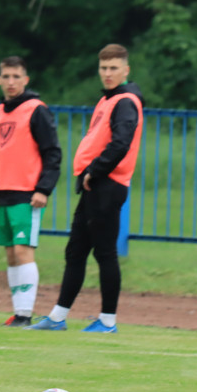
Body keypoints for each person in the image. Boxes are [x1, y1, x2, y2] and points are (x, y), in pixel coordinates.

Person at [28, 43, 143, 333]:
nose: (107, 73)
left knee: (105, 253)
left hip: (107, 184)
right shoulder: (109, 99)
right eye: (103, 68)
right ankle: (57, 317)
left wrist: (95, 169)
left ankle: (107, 321)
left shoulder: (125, 101)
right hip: (95, 185)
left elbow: (122, 142)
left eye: (114, 68)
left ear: (126, 70)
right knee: (75, 250)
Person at [0, 56, 61, 327]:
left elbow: (52, 153)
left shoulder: (36, 109)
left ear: (25, 79)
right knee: (10, 254)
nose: (10, 82)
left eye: (16, 77)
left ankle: (25, 314)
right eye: (6, 76)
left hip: (27, 194)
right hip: (3, 193)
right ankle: (18, 312)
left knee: (23, 251)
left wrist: (44, 189)